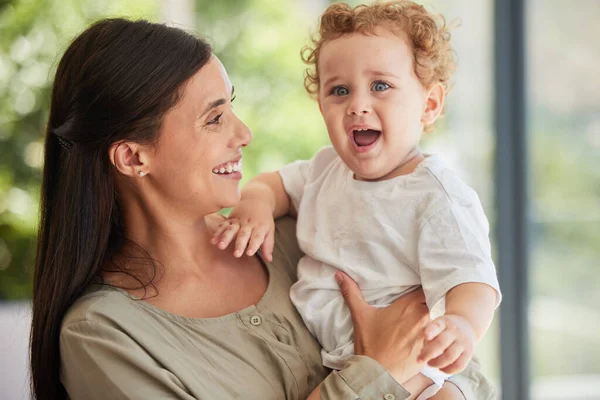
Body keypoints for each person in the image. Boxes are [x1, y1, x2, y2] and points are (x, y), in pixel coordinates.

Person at [29, 17, 495, 400]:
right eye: (214, 118)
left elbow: (466, 371)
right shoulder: (105, 337)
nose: (244, 133)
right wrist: (376, 370)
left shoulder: (299, 234)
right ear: (133, 156)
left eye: (232, 107)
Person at [211, 1, 502, 399]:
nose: (357, 104)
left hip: (420, 366)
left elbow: (472, 279)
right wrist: (256, 204)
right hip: (344, 367)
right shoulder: (324, 169)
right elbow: (273, 184)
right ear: (321, 107)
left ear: (430, 105)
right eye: (339, 90)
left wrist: (463, 326)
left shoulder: (437, 195)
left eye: (380, 85)